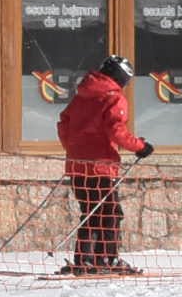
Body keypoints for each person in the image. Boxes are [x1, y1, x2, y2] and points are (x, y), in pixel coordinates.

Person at [56, 56, 154, 275]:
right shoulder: (113, 98)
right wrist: (140, 147)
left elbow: (64, 124)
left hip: (77, 165)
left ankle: (85, 260)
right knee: (110, 213)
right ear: (120, 78)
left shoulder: (82, 95)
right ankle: (107, 259)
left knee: (90, 211)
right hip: (101, 165)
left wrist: (74, 149)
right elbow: (116, 130)